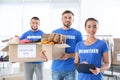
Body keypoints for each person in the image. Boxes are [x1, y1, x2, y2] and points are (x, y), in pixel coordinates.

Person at [51, 10, 83, 80]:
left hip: (71, 69)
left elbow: (81, 52)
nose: (67, 19)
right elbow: (50, 50)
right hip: (56, 69)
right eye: (65, 17)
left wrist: (69, 55)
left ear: (73, 20)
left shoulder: (78, 34)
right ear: (62, 19)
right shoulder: (54, 32)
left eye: (70, 18)